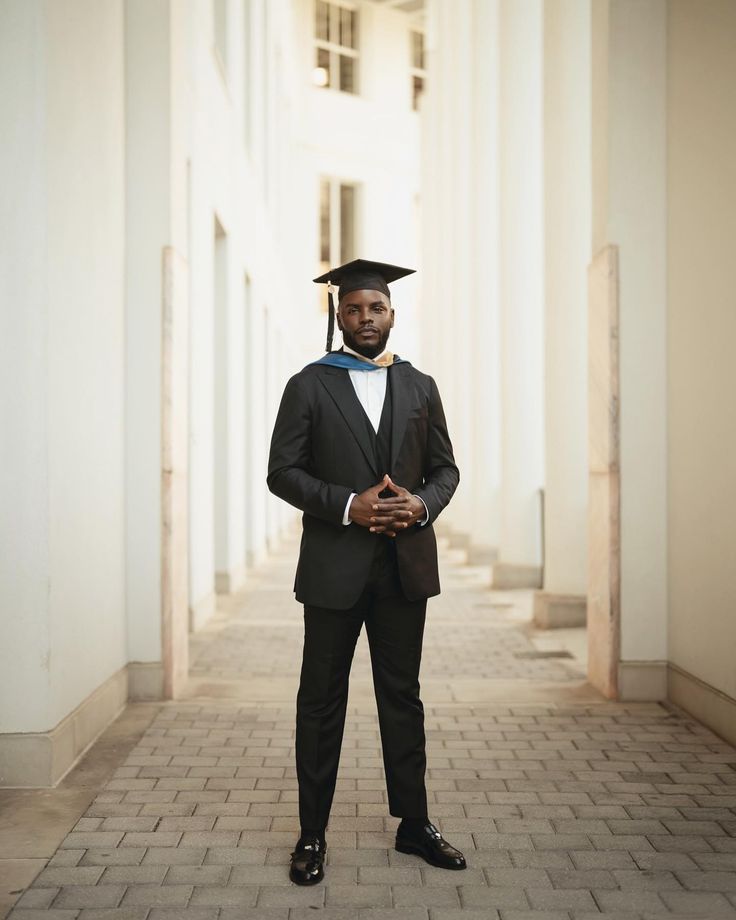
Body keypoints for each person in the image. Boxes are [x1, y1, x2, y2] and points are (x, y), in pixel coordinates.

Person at [267, 258, 464, 886]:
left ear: (392, 313)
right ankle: (312, 834)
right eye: (353, 308)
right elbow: (283, 471)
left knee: (401, 698)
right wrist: (348, 505)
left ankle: (414, 824)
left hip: (403, 569)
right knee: (321, 701)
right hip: (335, 568)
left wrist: (422, 503)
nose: (365, 318)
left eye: (375, 308)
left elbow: (445, 469)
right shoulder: (309, 384)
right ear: (339, 315)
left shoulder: (420, 385)